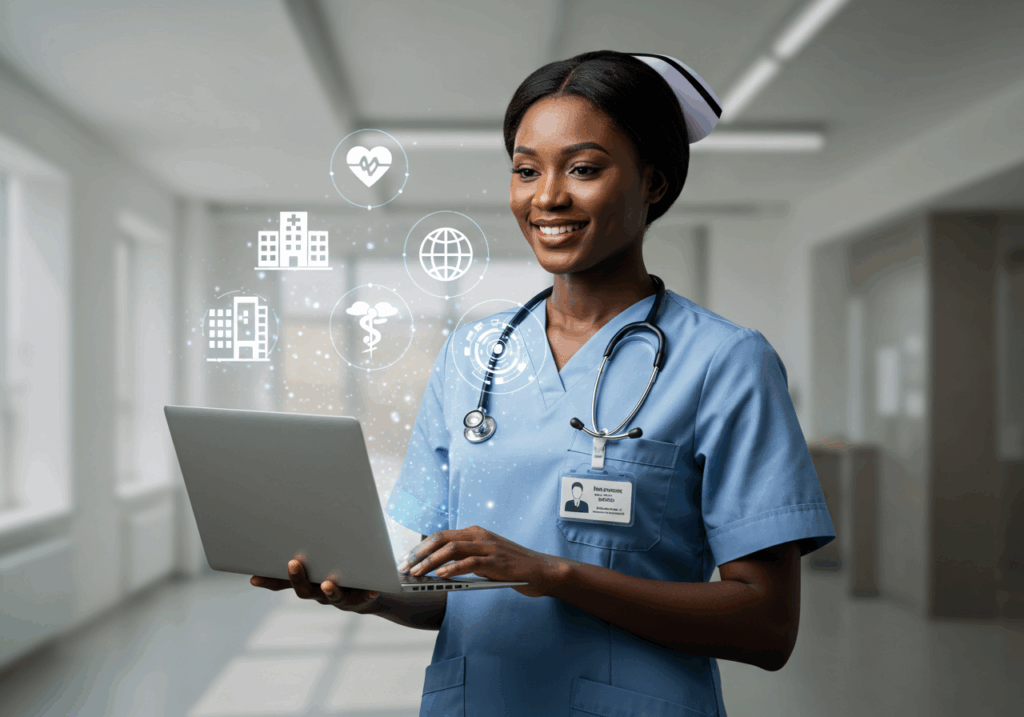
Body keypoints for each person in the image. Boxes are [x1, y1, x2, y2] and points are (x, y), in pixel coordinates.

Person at [252, 50, 835, 716]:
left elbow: (766, 625)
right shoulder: (471, 355)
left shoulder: (726, 361)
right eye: (526, 170)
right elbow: (462, 592)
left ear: (653, 181)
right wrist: (375, 593)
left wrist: (556, 573)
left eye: (583, 168)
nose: (547, 196)